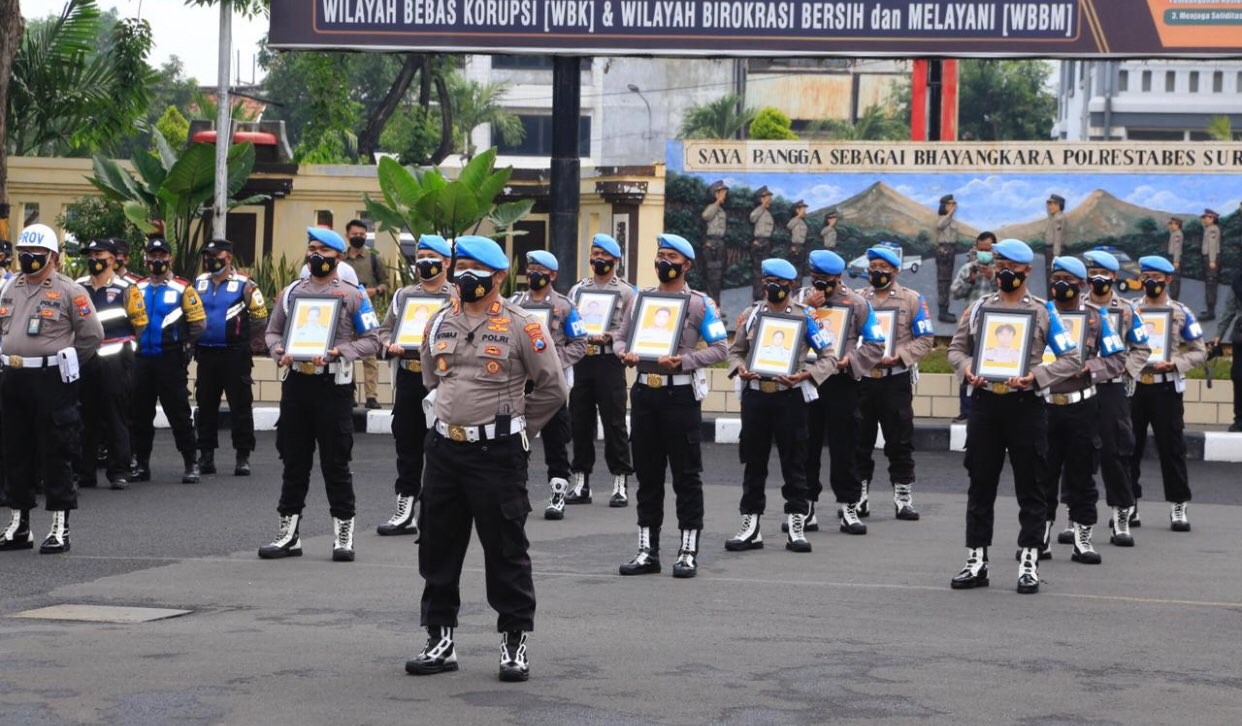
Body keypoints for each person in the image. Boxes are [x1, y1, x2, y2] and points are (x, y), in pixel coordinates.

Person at [405, 235, 566, 682]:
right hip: (442, 450)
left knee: (505, 549)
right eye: (462, 267)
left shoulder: (522, 325)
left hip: (496, 453)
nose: (464, 276)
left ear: (497, 276)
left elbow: (553, 387)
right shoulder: (439, 321)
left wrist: (517, 428)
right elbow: (431, 376)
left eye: (476, 268)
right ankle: (440, 641)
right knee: (437, 545)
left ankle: (514, 643)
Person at [948, 238, 1081, 595]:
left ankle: (1029, 561)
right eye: (999, 263)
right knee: (980, 483)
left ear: (1027, 271)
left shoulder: (1043, 311)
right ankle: (976, 559)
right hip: (986, 403)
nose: (1003, 271)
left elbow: (1071, 358)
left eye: (1011, 266)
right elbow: (956, 349)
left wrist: (1036, 377)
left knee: (1032, 485)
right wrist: (968, 369)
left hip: (1026, 405)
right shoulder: (978, 309)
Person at [259, 227, 381, 563]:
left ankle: (343, 533)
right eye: (311, 248)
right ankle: (288, 533)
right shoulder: (291, 293)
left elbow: (373, 338)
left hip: (333, 385)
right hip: (297, 382)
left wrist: (339, 351)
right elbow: (271, 332)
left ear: (338, 257)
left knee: (335, 461)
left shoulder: (354, 295)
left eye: (323, 251)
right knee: (294, 460)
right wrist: (279, 349)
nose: (315, 255)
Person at [615, 233, 728, 578]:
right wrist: (625, 353)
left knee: (686, 477)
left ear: (687, 265)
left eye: (672, 258)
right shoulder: (640, 299)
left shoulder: (699, 304)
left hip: (679, 396)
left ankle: (688, 550)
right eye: (660, 255)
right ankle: (647, 550)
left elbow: (721, 348)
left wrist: (685, 360)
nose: (664, 263)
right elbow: (620, 337)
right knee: (647, 476)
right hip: (645, 394)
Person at [0, 224, 103, 554]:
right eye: (23, 254)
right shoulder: (9, 288)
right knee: (15, 450)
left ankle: (59, 525)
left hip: (50, 380)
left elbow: (92, 336)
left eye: (36, 255)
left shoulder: (71, 291)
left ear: (54, 257)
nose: (28, 259)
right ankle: (19, 524)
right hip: (13, 378)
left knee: (56, 449)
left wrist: (66, 361)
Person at [726, 258, 833, 554]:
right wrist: (740, 369)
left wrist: (808, 374)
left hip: (790, 396)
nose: (772, 287)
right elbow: (735, 352)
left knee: (794, 462)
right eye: (767, 281)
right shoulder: (751, 315)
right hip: (757, 395)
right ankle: (750, 526)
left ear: (790, 286)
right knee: (753, 462)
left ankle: (796, 525)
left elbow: (829, 356)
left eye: (778, 282)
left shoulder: (807, 316)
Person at [1038, 256, 1129, 565]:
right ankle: (1042, 536)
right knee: (1042, 475)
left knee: (1082, 475)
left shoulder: (1096, 317)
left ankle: (1083, 539)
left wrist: (1088, 367)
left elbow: (1118, 359)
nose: (1059, 284)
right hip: (1045, 406)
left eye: (1066, 278)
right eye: (1055, 278)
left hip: (1082, 406)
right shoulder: (1038, 314)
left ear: (1080, 284)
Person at [797, 250, 885, 534]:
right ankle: (806, 507)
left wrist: (853, 360)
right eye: (815, 279)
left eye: (825, 280)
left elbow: (876, 343)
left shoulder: (857, 303)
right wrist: (807, 308)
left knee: (845, 445)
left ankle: (849, 505)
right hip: (807, 379)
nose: (820, 285)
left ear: (838, 278)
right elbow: (782, 330)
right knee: (805, 446)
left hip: (841, 380)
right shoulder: (799, 300)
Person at [375, 234, 456, 537]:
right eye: (420, 256)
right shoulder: (403, 296)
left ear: (446, 262)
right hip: (409, 375)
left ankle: (437, 512)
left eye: (431, 257)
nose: (424, 262)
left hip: (441, 378)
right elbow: (383, 331)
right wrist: (389, 344)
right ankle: (405, 505)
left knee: (440, 445)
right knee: (407, 442)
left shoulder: (457, 296)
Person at [855, 245, 935, 521]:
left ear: (895, 270)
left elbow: (925, 339)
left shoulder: (911, 300)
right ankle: (859, 495)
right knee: (859, 439)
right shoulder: (857, 299)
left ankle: (903, 496)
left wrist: (899, 356)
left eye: (882, 267)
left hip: (895, 379)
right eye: (872, 267)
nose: (876, 272)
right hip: (862, 379)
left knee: (900, 440)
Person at [1130, 255, 1205, 532]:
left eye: (1156, 277)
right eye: (1145, 276)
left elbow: (1200, 350)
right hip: (1135, 386)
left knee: (1172, 448)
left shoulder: (1181, 312)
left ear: (1168, 280)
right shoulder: (1130, 311)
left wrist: (1175, 363)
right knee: (1129, 448)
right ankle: (1129, 504)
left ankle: (1178, 504)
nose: (1150, 282)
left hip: (1166, 387)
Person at [511, 249, 586, 520]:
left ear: (552, 275)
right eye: (530, 268)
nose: (533, 273)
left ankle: (557, 493)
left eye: (539, 269)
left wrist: (553, 362)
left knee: (556, 441)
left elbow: (580, 345)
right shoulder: (515, 303)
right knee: (517, 438)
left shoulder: (565, 306)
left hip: (551, 386)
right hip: (520, 384)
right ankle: (516, 493)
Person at [1082, 249, 1150, 547]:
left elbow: (1142, 348)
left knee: (1115, 453)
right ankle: (1077, 519)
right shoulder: (1073, 308)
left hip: (1111, 388)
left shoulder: (1125, 310)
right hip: (1078, 388)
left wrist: (1126, 372)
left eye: (1103, 273)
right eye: (1092, 271)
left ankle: (1121, 516)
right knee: (1078, 454)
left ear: (1113, 277)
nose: (1097, 277)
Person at [567, 233, 636, 508]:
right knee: (579, 421)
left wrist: (611, 336)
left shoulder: (627, 292)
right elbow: (570, 324)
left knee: (614, 422)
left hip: (609, 361)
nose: (598, 259)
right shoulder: (577, 290)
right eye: (595, 253)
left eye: (604, 254)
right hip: (583, 359)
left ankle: (620, 481)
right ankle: (581, 482)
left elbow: (632, 329)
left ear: (616, 259)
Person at [74, 238, 148, 490]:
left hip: (115, 359)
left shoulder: (128, 288)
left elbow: (141, 324)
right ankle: (85, 472)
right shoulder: (78, 287)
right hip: (85, 359)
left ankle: (119, 471)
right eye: (91, 254)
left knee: (116, 416)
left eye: (99, 254)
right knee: (85, 416)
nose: (94, 259)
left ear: (113, 258)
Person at [132, 238, 206, 484]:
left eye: (162, 256)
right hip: (141, 360)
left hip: (170, 360)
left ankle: (191, 462)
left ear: (170, 259)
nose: (157, 260)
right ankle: (141, 465)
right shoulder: (137, 288)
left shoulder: (183, 288)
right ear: (146, 258)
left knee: (179, 414)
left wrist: (182, 344)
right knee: (140, 415)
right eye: (152, 256)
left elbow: (198, 325)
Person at [192, 238, 268, 478]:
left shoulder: (246, 285)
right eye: (208, 255)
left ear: (229, 258)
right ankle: (206, 455)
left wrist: (242, 338)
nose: (211, 260)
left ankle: (242, 456)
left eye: (216, 255)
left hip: (235, 354)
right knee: (205, 406)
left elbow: (260, 318)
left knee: (240, 405)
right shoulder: (198, 283)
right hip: (206, 353)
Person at [340, 219, 390, 408]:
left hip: (367, 312)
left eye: (362, 234)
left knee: (369, 355)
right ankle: (349, 393)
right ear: (347, 235)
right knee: (347, 353)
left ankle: (371, 396)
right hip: (344, 314)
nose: (359, 237)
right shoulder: (340, 259)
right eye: (355, 234)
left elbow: (386, 283)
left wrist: (375, 291)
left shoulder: (374, 259)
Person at [950, 232, 998, 421]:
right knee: (967, 364)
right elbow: (955, 293)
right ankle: (965, 411)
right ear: (976, 248)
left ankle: (989, 412)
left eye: (988, 250)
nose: (984, 253)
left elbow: (1009, 292)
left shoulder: (1002, 269)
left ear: (994, 250)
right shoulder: (968, 268)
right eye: (981, 249)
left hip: (996, 325)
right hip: (971, 323)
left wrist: (993, 276)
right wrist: (971, 279)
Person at [1212, 267, 1242, 432]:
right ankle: (1239, 419)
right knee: (1238, 378)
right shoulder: (1238, 280)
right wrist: (1218, 336)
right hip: (1240, 337)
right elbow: (1229, 311)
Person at [701, 180, 728, 304]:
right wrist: (717, 202)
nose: (725, 196)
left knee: (717, 276)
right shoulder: (712, 207)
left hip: (719, 242)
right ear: (716, 194)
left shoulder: (721, 210)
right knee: (712, 275)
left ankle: (716, 305)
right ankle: (713, 306)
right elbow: (706, 216)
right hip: (711, 242)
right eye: (722, 193)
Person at [935, 194, 959, 323]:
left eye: (954, 204)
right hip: (944, 250)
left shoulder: (952, 220)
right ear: (945, 205)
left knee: (947, 281)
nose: (953, 206)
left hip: (951, 250)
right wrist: (949, 214)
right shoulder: (943, 218)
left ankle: (945, 310)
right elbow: (939, 226)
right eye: (951, 204)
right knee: (943, 282)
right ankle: (942, 312)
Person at [749, 187, 775, 300]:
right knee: (758, 271)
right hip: (759, 242)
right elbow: (752, 218)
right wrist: (762, 206)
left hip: (766, 242)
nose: (770, 199)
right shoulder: (759, 210)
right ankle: (758, 297)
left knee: (765, 270)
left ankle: (763, 294)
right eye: (767, 197)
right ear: (761, 199)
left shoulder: (768, 213)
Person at [1200, 209, 1221, 320]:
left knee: (1211, 284)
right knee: (1209, 284)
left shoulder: (1213, 229)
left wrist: (1212, 261)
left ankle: (1211, 313)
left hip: (1211, 258)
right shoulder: (1209, 228)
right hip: (1208, 258)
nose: (1204, 219)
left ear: (1212, 218)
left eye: (1206, 218)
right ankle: (1209, 310)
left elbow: (1212, 246)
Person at [1044, 194, 1067, 287]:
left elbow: (1058, 238)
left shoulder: (1058, 219)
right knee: (1050, 275)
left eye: (1054, 204)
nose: (1050, 206)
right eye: (1049, 204)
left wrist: (1056, 256)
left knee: (1054, 276)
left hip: (1054, 251)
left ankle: (1053, 298)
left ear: (1060, 206)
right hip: (1050, 250)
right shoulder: (1052, 217)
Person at [787, 200, 809, 277]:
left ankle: (798, 287)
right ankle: (795, 288)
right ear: (797, 210)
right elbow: (789, 226)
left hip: (802, 247)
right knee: (795, 270)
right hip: (795, 247)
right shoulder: (794, 220)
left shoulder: (802, 222)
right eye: (803, 210)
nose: (805, 212)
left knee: (800, 270)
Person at [1167, 217, 1184, 301]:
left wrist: (1176, 261)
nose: (1171, 225)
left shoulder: (1177, 234)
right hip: (1172, 257)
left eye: (1173, 223)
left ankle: (1174, 299)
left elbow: (1177, 248)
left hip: (1175, 257)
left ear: (1177, 225)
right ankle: (1172, 298)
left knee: (1175, 280)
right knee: (1172, 279)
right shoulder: (1174, 233)